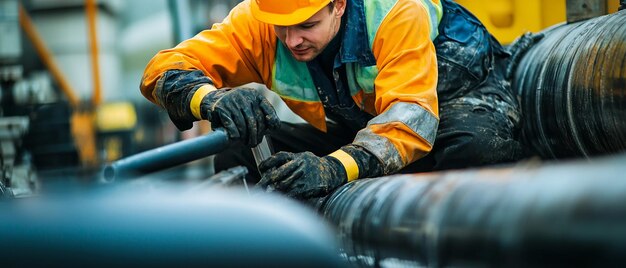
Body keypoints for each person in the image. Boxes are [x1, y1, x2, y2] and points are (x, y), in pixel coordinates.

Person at [140, 0, 534, 200]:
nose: (292, 40)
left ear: (340, 5)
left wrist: (332, 169)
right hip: (362, 130)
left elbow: (411, 120)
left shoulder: (396, 11)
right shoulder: (264, 20)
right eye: (283, 28)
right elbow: (161, 70)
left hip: (454, 110)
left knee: (476, 150)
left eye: (307, 26)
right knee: (239, 157)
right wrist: (209, 100)